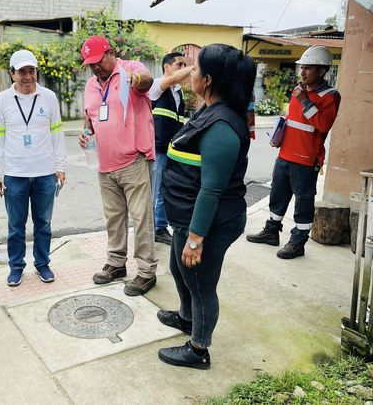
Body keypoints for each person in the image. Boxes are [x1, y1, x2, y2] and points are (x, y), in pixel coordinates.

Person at [157, 44, 255, 370]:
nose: (190, 73)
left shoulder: (222, 126)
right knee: (179, 270)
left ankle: (198, 349)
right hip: (186, 216)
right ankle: (186, 319)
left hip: (210, 222)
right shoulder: (209, 109)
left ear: (209, 79)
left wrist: (196, 239)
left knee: (201, 286)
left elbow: (212, 189)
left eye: (195, 69)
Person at [78, 35, 158, 296]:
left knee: (141, 218)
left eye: (98, 61)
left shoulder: (130, 69)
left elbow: (147, 79)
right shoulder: (91, 85)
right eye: (90, 64)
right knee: (114, 217)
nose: (95, 67)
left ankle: (146, 272)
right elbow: (90, 118)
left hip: (133, 160)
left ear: (111, 53)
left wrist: (135, 79)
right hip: (104, 163)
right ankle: (116, 263)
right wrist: (86, 133)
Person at [246, 46, 340, 259]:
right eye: (301, 67)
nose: (302, 72)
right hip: (285, 154)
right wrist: (278, 135)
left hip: (307, 159)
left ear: (322, 71)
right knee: (277, 195)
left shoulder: (330, 96)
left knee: (303, 201)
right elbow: (293, 120)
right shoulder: (299, 90)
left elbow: (323, 125)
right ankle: (271, 231)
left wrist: (304, 99)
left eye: (308, 68)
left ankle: (298, 242)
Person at [0, 49, 66, 287]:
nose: (28, 76)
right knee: (15, 225)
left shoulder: (49, 97)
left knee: (43, 223)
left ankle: (42, 263)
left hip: (45, 173)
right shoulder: (2, 100)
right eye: (22, 71)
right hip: (15, 175)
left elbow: (57, 134)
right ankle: (16, 266)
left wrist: (60, 166)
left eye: (31, 71)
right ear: (12, 73)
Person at [148, 52, 192, 245]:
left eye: (184, 65)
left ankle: (160, 227)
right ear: (167, 67)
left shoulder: (178, 92)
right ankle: (149, 231)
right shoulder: (157, 85)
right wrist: (195, 67)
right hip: (158, 150)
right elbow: (172, 79)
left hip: (171, 149)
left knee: (165, 191)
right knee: (153, 192)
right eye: (179, 65)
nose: (183, 69)